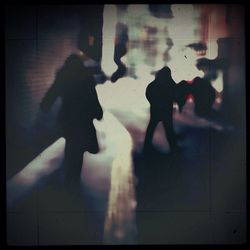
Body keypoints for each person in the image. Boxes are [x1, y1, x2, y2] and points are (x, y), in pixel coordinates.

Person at [40, 53, 103, 187]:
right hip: (83, 119)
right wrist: (98, 112)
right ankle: (73, 178)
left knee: (71, 146)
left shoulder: (63, 77)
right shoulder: (86, 78)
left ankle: (70, 177)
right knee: (78, 150)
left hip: (68, 120)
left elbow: (52, 93)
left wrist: (45, 105)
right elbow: (93, 98)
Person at [143, 66, 178, 154]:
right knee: (169, 129)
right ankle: (173, 147)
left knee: (152, 127)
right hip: (166, 110)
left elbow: (148, 93)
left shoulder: (154, 84)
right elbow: (176, 94)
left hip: (156, 110)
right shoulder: (170, 83)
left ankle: (147, 146)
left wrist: (153, 103)